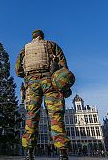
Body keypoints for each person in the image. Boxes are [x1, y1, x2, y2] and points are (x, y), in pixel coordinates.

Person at [16, 30, 73, 160]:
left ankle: (29, 153)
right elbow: (64, 68)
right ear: (42, 36)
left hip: (32, 84)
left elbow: (18, 71)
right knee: (55, 115)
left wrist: (29, 75)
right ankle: (62, 153)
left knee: (31, 116)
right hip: (50, 82)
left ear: (33, 38)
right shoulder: (52, 45)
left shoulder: (24, 49)